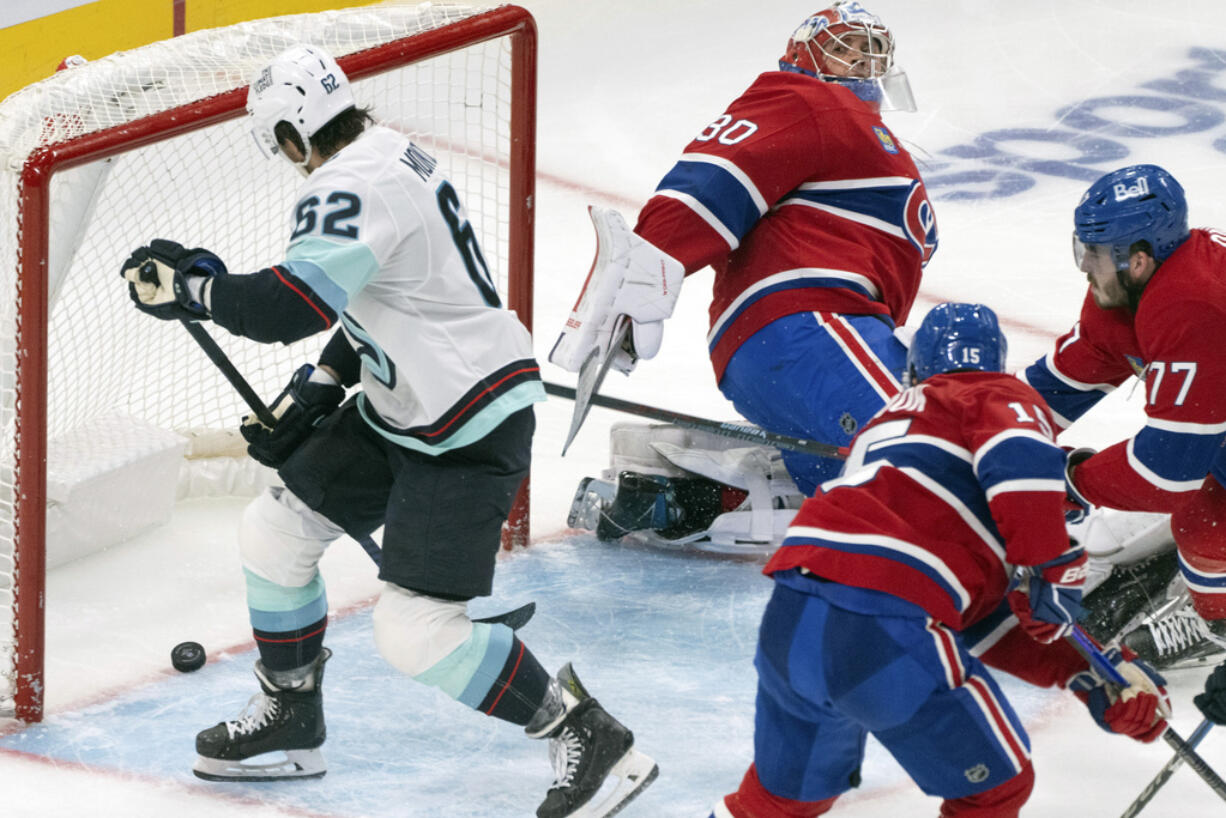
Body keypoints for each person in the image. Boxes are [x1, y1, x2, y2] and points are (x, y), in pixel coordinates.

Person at [119, 44, 656, 818]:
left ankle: (587, 732)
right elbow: (370, 293)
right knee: (274, 534)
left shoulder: (348, 183)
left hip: (468, 426)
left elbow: (286, 309)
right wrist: (324, 384)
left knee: (413, 632)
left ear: (293, 136)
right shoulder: (388, 153)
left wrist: (192, 288)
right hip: (402, 406)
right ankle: (292, 716)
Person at [710, 303, 1171, 818]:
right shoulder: (992, 393)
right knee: (993, 789)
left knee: (778, 802)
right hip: (884, 621)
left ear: (914, 368)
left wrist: (1083, 673)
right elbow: (1019, 460)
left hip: (793, 620)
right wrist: (1051, 562)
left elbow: (973, 617)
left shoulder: (889, 430)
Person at [550, 2, 936, 512]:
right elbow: (714, 177)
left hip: (813, 341)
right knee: (931, 451)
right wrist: (646, 266)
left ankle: (718, 493)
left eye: (873, 53)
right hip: (809, 329)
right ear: (804, 56)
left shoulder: (859, 129)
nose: (863, 64)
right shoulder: (807, 99)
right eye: (846, 51)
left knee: (861, 490)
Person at [1023, 163, 1226, 670]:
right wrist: (977, 437)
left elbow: (1166, 473)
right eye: (1083, 248)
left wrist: (1069, 482)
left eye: (1094, 254)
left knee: (1203, 524)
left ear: (1138, 260)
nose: (1085, 266)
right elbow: (1064, 382)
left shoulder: (1194, 307)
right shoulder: (1134, 291)